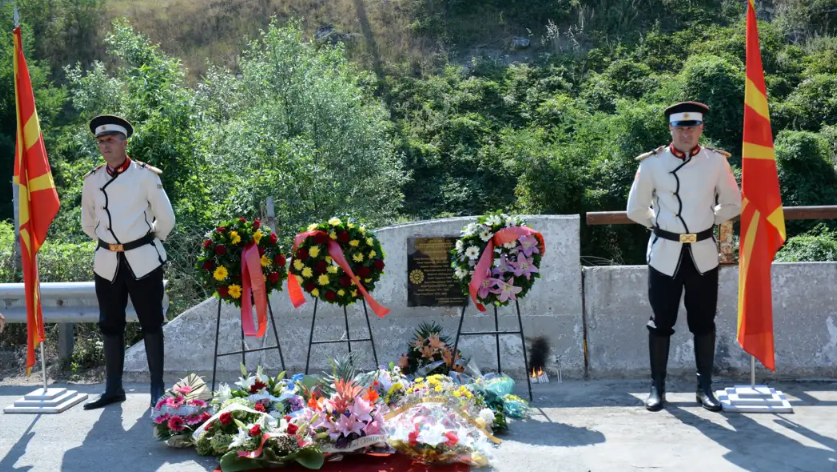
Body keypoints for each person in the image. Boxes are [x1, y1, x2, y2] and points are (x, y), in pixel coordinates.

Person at [626, 101, 742, 412]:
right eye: (680, 128)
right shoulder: (653, 163)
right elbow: (635, 209)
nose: (686, 133)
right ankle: (657, 387)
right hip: (665, 252)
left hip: (702, 252)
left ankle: (705, 388)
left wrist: (708, 219)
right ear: (671, 129)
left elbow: (733, 203)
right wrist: (660, 224)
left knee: (703, 322)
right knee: (661, 322)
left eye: (692, 127)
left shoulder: (716, 162)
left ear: (701, 128)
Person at [80, 115, 175, 410]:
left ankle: (157, 387)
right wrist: (111, 242)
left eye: (110, 140)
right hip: (107, 261)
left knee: (151, 323)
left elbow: (166, 218)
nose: (105, 146)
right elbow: (88, 223)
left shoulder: (144, 175)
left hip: (142, 259)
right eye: (100, 141)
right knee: (109, 324)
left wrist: (147, 239)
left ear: (124, 143)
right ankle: (113, 388)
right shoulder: (92, 180)